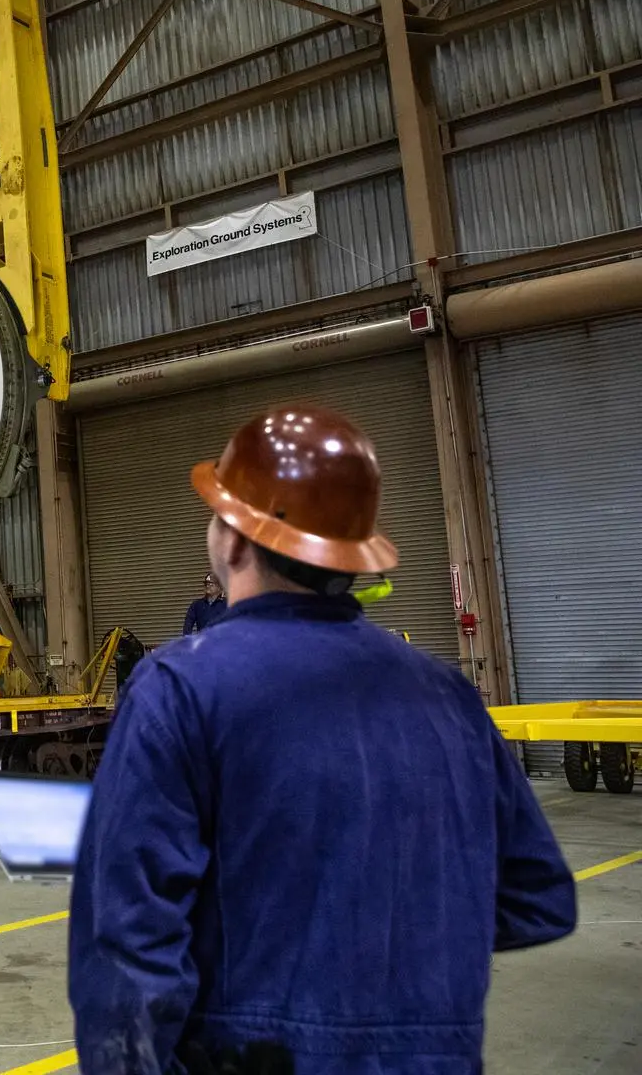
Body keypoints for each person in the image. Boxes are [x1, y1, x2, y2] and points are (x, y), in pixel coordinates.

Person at [69, 405, 576, 1075]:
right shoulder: (446, 693)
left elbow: (127, 947)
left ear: (236, 540)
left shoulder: (179, 689)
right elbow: (536, 899)